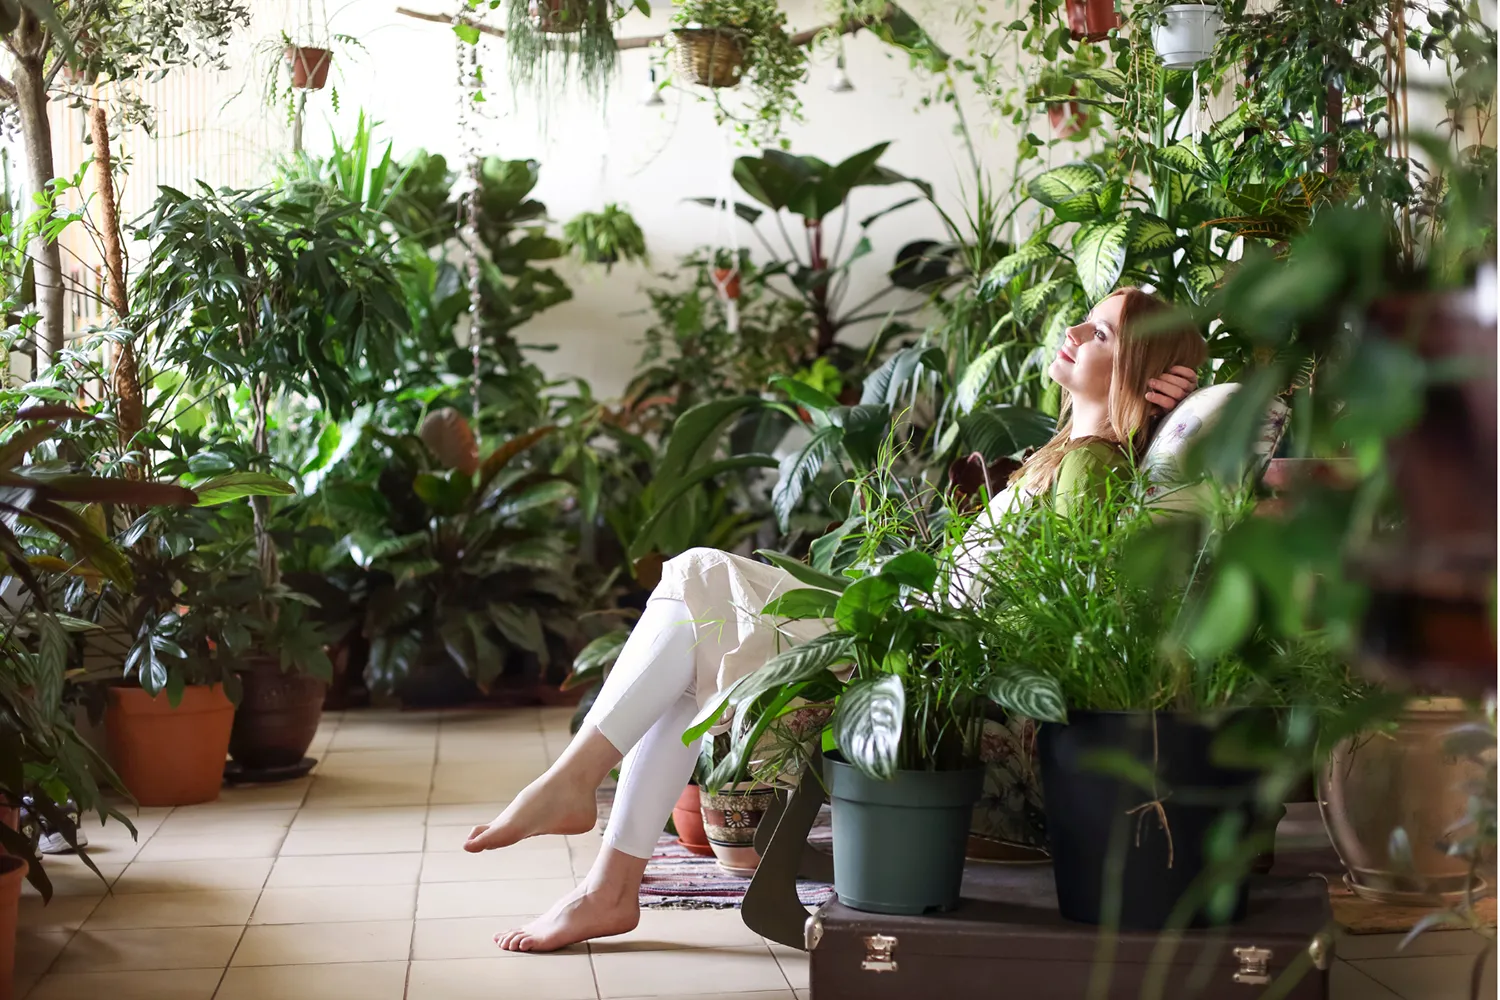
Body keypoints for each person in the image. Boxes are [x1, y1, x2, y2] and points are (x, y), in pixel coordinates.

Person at [466, 287, 1208, 953]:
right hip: (909, 637)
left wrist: (1179, 417)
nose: (1075, 330)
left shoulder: (1096, 467)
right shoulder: (1064, 456)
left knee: (697, 578)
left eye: (1104, 334)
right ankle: (605, 880)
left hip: (925, 666)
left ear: (1141, 372)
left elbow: (1059, 608)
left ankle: (585, 824)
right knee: (696, 625)